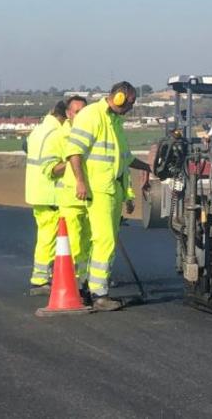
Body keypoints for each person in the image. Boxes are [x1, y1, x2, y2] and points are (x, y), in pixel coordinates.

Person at [61, 81, 151, 311]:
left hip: (109, 190)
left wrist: (149, 167)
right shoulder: (92, 116)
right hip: (98, 189)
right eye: (130, 102)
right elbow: (74, 151)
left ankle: (86, 288)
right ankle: (99, 294)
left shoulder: (114, 122)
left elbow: (125, 158)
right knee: (104, 241)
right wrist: (81, 181)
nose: (131, 108)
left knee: (97, 241)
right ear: (119, 98)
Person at [24, 95, 86, 294]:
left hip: (37, 191)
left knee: (45, 237)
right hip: (50, 192)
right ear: (64, 116)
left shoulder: (39, 130)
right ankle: (43, 280)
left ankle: (41, 277)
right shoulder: (56, 132)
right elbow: (50, 167)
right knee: (51, 238)